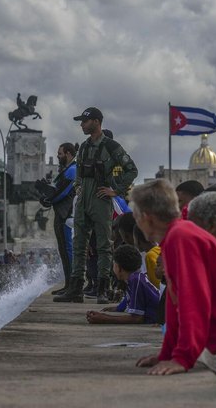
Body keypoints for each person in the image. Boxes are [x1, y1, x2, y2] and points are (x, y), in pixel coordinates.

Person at [132, 179, 216, 408]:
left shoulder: (180, 237)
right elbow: (176, 305)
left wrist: (183, 358)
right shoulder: (176, 236)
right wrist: (168, 353)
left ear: (146, 217)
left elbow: (194, 300)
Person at [55, 107, 138, 304]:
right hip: (84, 199)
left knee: (103, 245)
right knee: (79, 245)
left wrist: (115, 190)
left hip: (101, 200)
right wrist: (79, 188)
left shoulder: (111, 146)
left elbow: (131, 170)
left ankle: (103, 288)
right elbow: (80, 174)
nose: (82, 125)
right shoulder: (83, 147)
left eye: (85, 121)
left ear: (96, 122)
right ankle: (75, 289)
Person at [37, 142, 78, 296]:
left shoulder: (72, 170)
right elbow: (56, 190)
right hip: (61, 213)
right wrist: (45, 193)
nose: (58, 156)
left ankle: (72, 286)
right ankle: (68, 285)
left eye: (60, 154)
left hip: (66, 214)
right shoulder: (67, 170)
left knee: (67, 249)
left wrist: (49, 198)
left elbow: (61, 192)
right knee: (63, 249)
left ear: (68, 154)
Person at [86, 244, 160, 324]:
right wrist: (119, 308)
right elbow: (131, 299)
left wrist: (104, 318)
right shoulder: (134, 278)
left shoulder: (135, 280)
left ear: (118, 267)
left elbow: (137, 318)